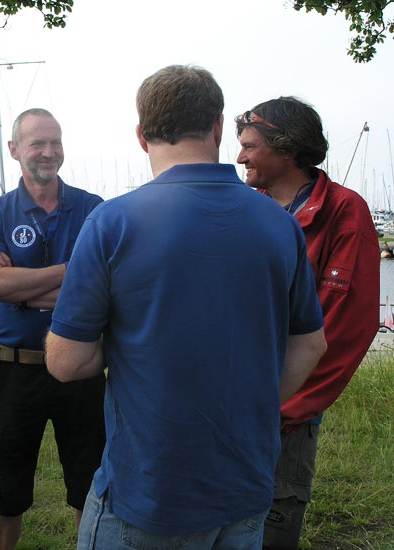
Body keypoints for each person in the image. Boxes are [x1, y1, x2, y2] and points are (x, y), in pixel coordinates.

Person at [45, 65, 328, 549]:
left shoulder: (112, 222)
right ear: (218, 126)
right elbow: (311, 342)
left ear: (140, 136)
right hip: (246, 487)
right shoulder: (279, 224)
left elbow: (66, 361)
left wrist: (118, 345)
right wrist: (253, 398)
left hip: (150, 493)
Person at [235, 97, 380, 549]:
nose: (239, 157)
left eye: (250, 146)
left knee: (273, 526)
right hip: (227, 405)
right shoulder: (242, 208)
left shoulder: (344, 211)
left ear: (288, 148)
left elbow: (344, 329)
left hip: (285, 416)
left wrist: (283, 409)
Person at [0, 108, 106, 549]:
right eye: (37, 143)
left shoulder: (93, 210)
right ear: (15, 150)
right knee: (6, 493)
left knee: (90, 490)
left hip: (82, 370)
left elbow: (102, 288)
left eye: (55, 142)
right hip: (14, 372)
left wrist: (23, 293)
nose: (48, 152)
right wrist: (70, 272)